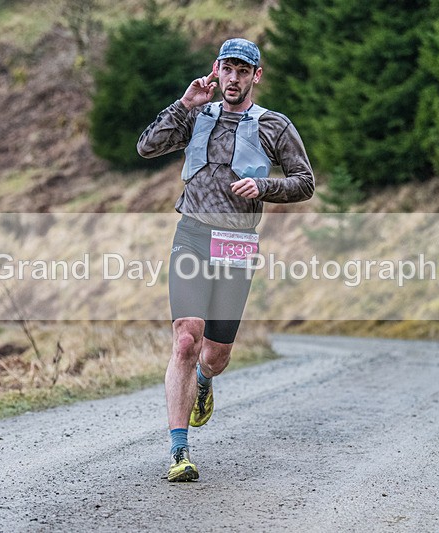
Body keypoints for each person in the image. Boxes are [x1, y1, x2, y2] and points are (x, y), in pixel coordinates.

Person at [137, 38, 315, 482]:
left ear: (256, 76)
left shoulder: (273, 125)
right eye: (227, 69)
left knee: (215, 355)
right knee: (185, 338)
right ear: (216, 70)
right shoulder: (196, 112)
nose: (233, 79)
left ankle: (204, 378)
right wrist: (183, 103)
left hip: (237, 243)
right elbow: (146, 147)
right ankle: (179, 451)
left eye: (243, 71)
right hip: (192, 235)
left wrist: (266, 188)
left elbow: (304, 181)